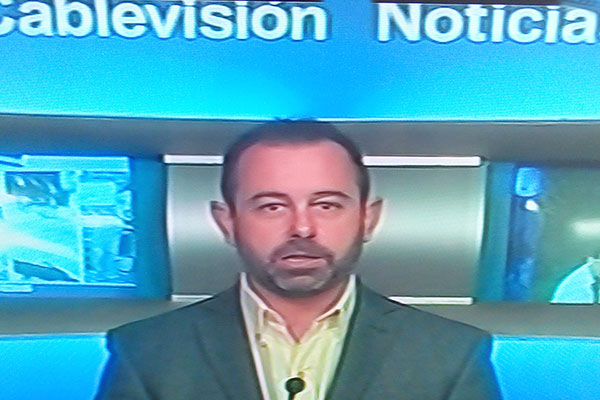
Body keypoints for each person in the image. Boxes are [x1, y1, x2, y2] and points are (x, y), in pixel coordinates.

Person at [95, 121, 502, 400]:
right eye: (272, 206)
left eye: (327, 205)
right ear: (227, 222)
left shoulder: (450, 355)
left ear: (368, 218)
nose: (302, 228)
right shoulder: (146, 353)